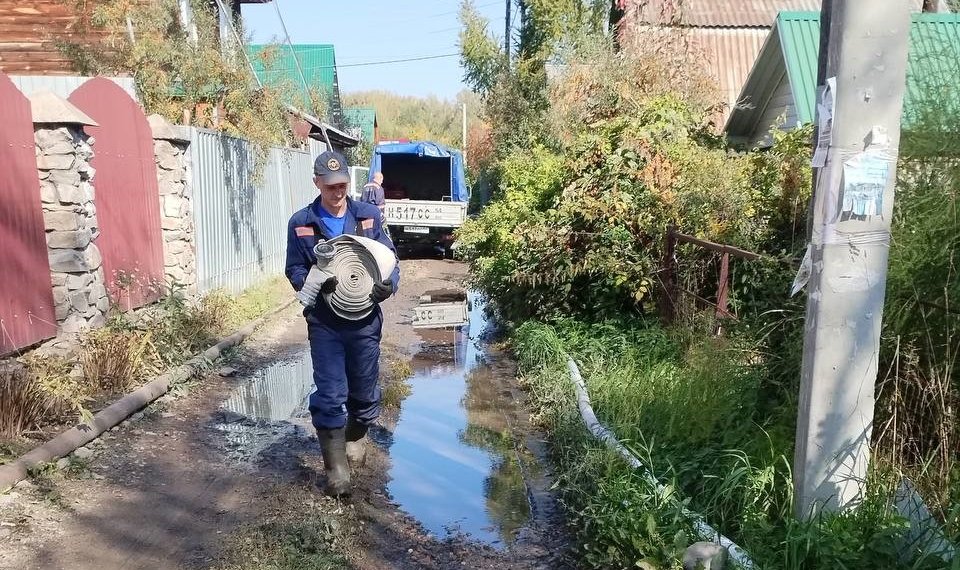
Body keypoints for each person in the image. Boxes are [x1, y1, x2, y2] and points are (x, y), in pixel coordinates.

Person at [285, 150, 400, 496]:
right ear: (317, 182)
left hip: (364, 320)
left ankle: (356, 431)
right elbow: (294, 269)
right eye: (331, 186)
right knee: (331, 393)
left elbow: (391, 259)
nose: (338, 192)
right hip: (325, 323)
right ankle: (337, 472)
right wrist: (318, 284)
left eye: (343, 185)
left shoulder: (367, 216)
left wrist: (387, 286)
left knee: (364, 398)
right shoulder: (301, 222)